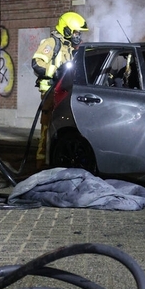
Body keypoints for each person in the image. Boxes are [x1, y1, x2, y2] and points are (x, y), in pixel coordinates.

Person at [31, 11, 88, 170]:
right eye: (76, 32)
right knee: (47, 129)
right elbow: (37, 64)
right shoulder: (51, 43)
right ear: (67, 29)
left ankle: (58, 162)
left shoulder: (69, 47)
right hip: (50, 92)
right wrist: (54, 72)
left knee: (60, 128)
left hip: (63, 91)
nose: (78, 36)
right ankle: (40, 166)